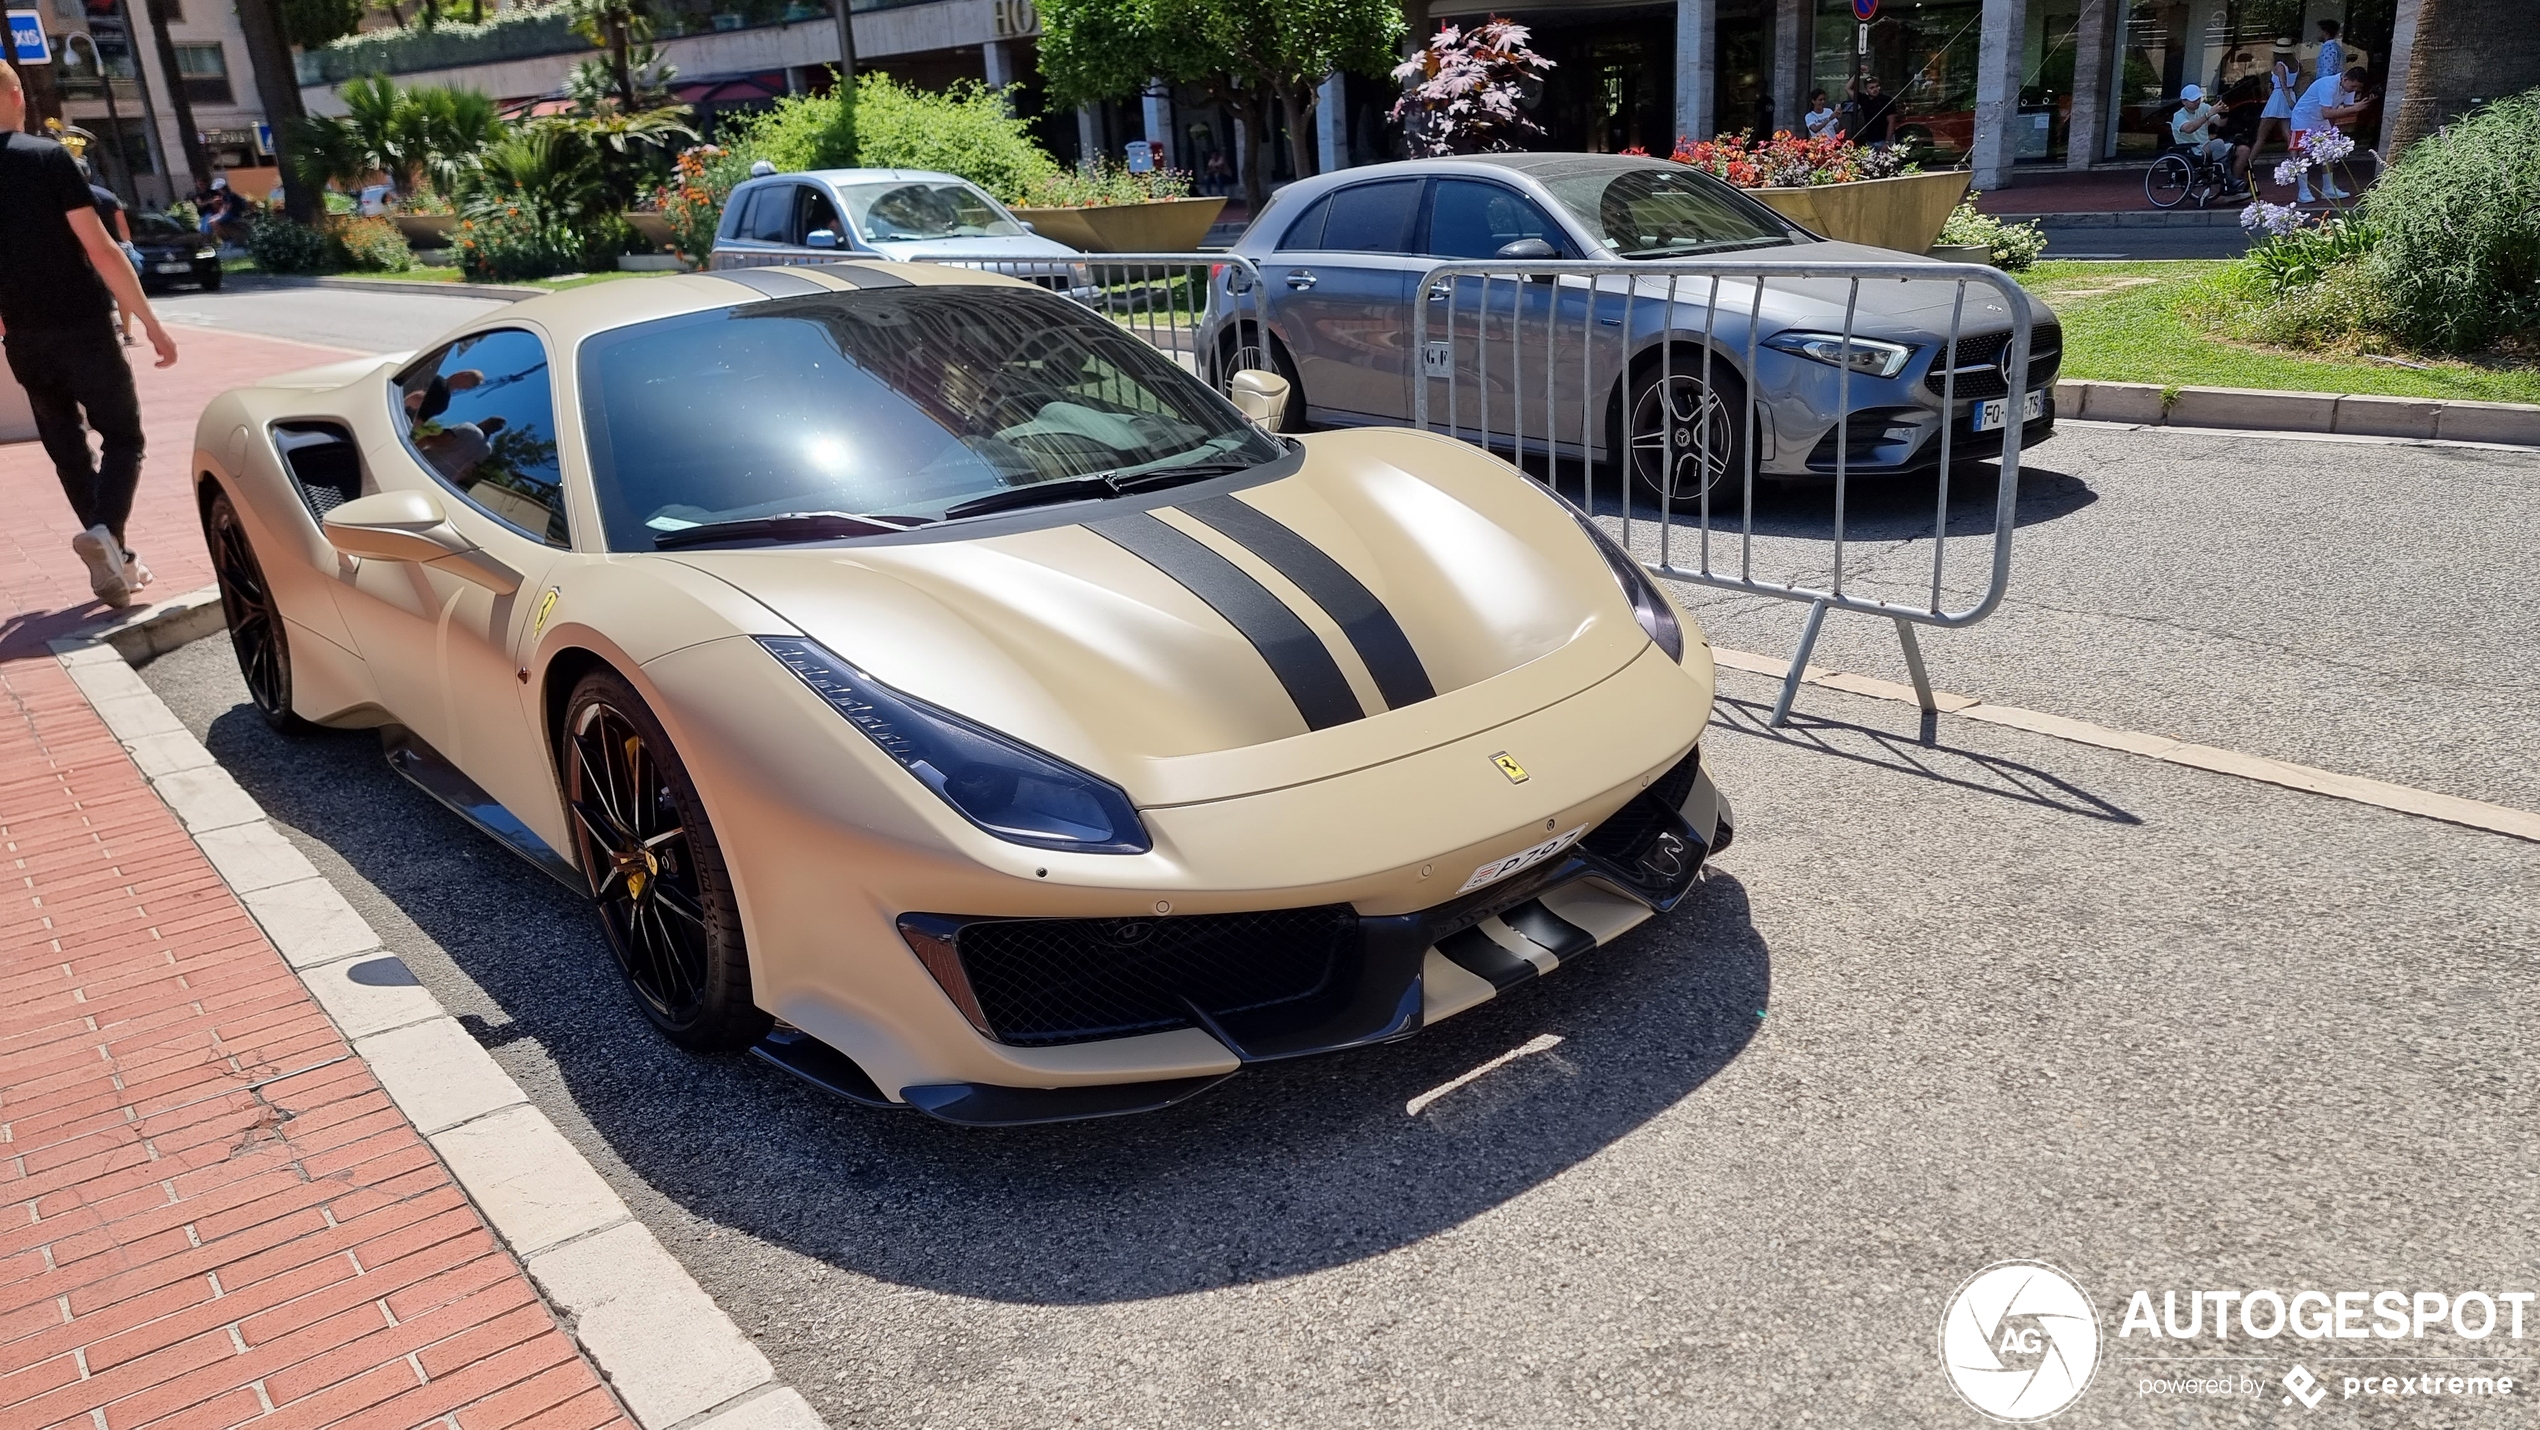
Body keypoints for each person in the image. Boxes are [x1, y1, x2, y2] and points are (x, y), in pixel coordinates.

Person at [0, 62, 179, 610]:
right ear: (15, 95)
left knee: (67, 449)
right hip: (82, 325)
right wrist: (149, 321)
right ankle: (105, 533)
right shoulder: (46, 157)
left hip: (23, 337)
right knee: (124, 437)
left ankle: (117, 562)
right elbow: (101, 249)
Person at [2288, 66, 2370, 202]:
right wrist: (2356, 108)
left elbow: (2349, 109)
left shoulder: (2348, 87)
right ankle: (2303, 191)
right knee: (2304, 153)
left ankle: (2328, 188)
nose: (2354, 90)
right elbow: (2326, 112)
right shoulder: (2328, 85)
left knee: (2328, 152)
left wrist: (2363, 104)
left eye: (2357, 88)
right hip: (2304, 117)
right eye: (2354, 86)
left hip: (2320, 119)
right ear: (2345, 79)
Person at [81, 165, 143, 347]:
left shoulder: (70, 196)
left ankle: (106, 328)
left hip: (87, 249)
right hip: (115, 247)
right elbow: (122, 227)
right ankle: (127, 333)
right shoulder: (108, 196)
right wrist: (127, 244)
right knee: (122, 291)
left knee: (94, 291)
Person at [2169, 83, 2250, 195]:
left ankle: (2232, 183)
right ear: (2184, 102)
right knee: (2217, 143)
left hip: (2206, 145)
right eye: (2193, 100)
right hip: (2191, 149)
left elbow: (2221, 123)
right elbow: (2189, 128)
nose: (2197, 102)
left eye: (2198, 99)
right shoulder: (2179, 115)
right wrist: (2207, 115)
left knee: (2243, 150)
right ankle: (2227, 180)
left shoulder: (2204, 107)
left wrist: (2223, 114)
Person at [2256, 45, 2298, 157]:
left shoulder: (2280, 66)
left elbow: (2283, 84)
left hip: (2279, 96)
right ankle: (2296, 163)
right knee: (2288, 133)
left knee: (2261, 137)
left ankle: (2248, 164)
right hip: (2290, 93)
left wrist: (2288, 100)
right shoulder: (2296, 64)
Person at [1849, 74, 1898, 146]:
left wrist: (1887, 142)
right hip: (1869, 140)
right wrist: (1857, 73)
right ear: (1866, 90)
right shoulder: (1863, 99)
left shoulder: (1886, 100)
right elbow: (1848, 88)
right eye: (1871, 88)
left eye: (1877, 86)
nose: (1875, 89)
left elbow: (1891, 122)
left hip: (1883, 139)